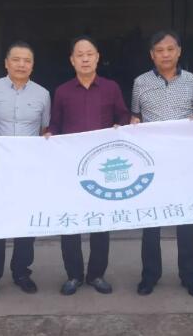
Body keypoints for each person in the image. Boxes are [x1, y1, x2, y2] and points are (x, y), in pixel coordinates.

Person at [47, 35, 131, 295]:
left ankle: (96, 274)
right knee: (70, 221)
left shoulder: (111, 88)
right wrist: (50, 135)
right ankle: (73, 275)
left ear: (97, 58)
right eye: (79, 55)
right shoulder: (62, 91)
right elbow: (55, 125)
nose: (85, 59)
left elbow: (123, 116)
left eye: (89, 54)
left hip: (101, 167)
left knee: (100, 222)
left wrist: (121, 126)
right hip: (71, 167)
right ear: (72, 60)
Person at [130, 30, 193, 298]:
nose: (165, 54)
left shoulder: (192, 81)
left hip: (184, 164)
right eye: (159, 50)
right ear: (152, 54)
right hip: (152, 164)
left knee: (186, 221)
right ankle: (149, 276)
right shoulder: (140, 82)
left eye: (170, 49)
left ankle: (189, 276)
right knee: (151, 222)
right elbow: (135, 117)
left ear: (179, 51)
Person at [0, 41, 51, 300]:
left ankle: (22, 272)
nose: (21, 64)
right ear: (6, 63)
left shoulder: (42, 94)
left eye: (27, 60)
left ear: (33, 65)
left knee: (25, 223)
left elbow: (44, 130)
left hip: (28, 170)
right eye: (16, 60)